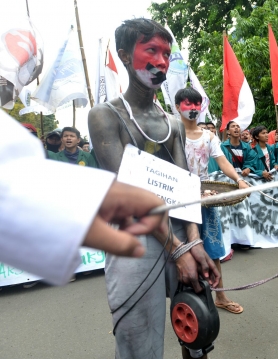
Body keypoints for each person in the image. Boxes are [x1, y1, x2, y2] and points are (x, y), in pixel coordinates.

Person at [88, 18, 219, 359]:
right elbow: (129, 195)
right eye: (151, 51)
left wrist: (194, 240)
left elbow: (184, 185)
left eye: (166, 53)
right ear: (125, 56)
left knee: (197, 330)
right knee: (138, 344)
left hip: (178, 231)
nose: (161, 61)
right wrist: (177, 250)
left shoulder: (172, 123)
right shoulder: (105, 116)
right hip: (135, 237)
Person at [1, 111, 167, 286]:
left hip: (87, 201)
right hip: (61, 200)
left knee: (91, 226)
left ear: (78, 139)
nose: (68, 139)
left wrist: (94, 192)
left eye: (72, 136)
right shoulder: (53, 157)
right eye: (65, 136)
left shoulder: (87, 158)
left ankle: (88, 264)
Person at [175, 87, 248, 314]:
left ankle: (221, 297)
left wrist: (238, 179)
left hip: (206, 198)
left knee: (213, 249)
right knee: (182, 251)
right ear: (178, 107)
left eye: (197, 105)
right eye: (188, 104)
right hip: (178, 201)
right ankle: (186, 302)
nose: (193, 109)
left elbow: (223, 162)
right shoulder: (170, 134)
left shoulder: (209, 137)